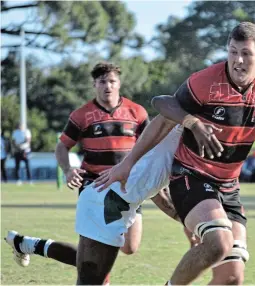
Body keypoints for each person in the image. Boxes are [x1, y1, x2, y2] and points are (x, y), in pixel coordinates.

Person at [97, 22, 255, 285]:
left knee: (232, 277)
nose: (237, 60)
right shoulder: (206, 81)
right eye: (233, 51)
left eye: (246, 53)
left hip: (229, 186)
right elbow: (164, 113)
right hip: (190, 175)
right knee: (218, 242)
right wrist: (130, 162)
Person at [4, 62, 151, 285]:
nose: (107, 86)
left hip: (127, 187)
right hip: (95, 187)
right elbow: (62, 147)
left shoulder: (137, 112)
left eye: (112, 81)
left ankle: (29, 244)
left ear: (119, 83)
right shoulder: (82, 115)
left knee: (129, 247)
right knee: (94, 255)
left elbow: (151, 145)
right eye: (102, 82)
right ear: (94, 85)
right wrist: (67, 169)